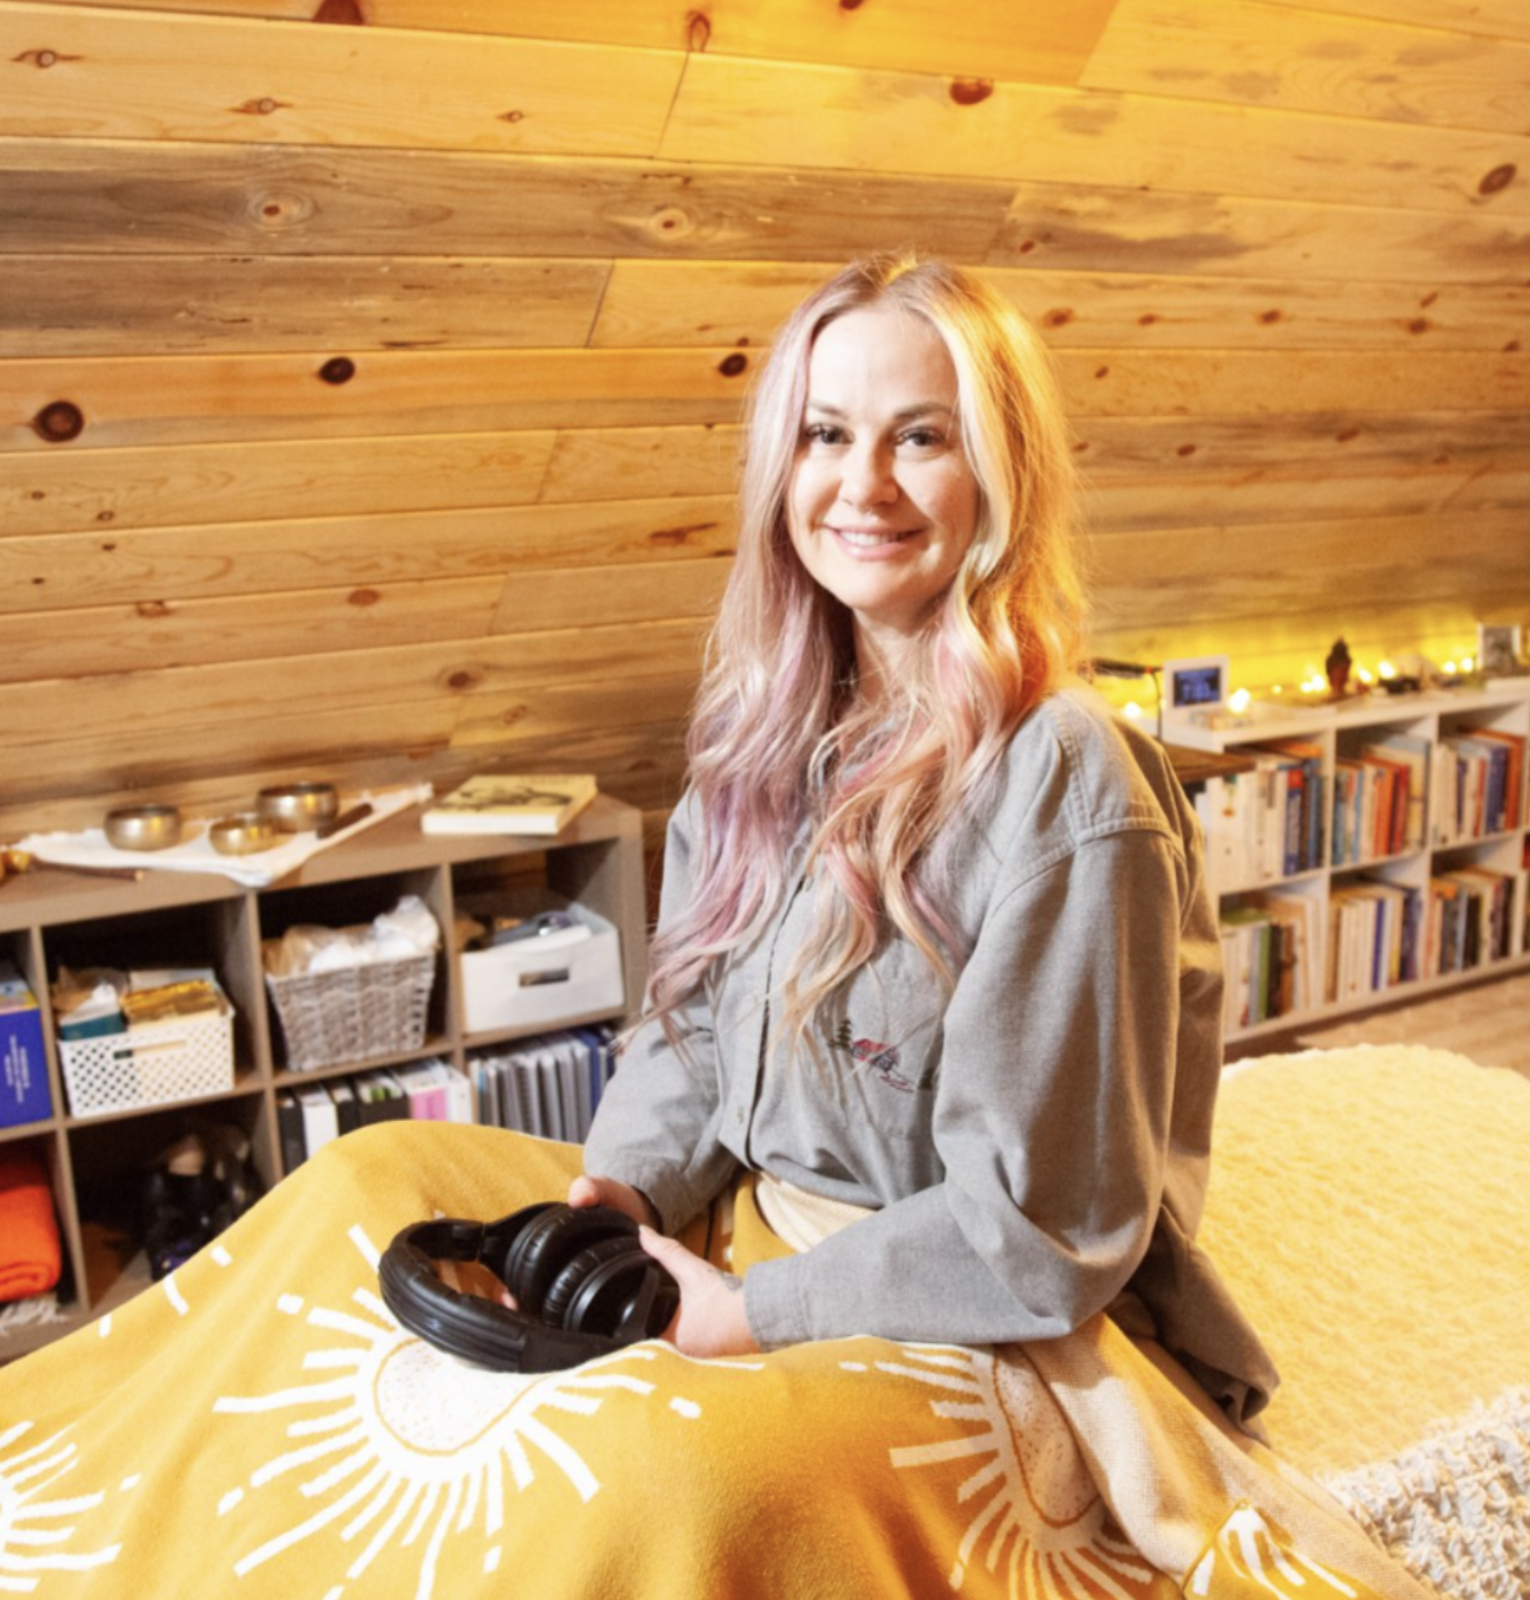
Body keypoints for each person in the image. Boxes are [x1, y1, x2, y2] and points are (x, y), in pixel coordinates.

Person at [570, 253, 1278, 1425]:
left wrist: (750, 1316)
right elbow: (690, 1034)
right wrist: (625, 1195)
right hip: (755, 1226)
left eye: (921, 438)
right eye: (825, 433)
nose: (863, 486)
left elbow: (1041, 1232)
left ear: (1001, 476)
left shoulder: (1068, 781)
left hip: (952, 1308)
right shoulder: (759, 737)